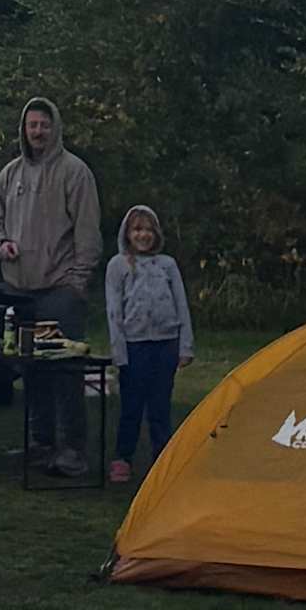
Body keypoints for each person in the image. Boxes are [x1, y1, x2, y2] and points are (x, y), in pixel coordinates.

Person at [0, 96, 102, 472]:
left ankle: (73, 450)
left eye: (44, 125)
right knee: (31, 372)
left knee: (65, 371)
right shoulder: (10, 174)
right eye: (32, 125)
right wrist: (1, 244)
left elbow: (88, 233)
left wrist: (77, 283)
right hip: (20, 290)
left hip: (60, 290)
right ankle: (40, 444)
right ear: (24, 129)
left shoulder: (75, 172)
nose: (38, 131)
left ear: (55, 128)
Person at [102, 203, 193, 483]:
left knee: (160, 406)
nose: (143, 235)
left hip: (165, 343)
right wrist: (120, 352)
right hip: (134, 344)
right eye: (137, 230)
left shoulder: (167, 265)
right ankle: (123, 457)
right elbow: (114, 310)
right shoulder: (118, 265)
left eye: (148, 230)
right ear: (128, 233)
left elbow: (181, 304)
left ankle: (162, 458)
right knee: (131, 405)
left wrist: (185, 345)